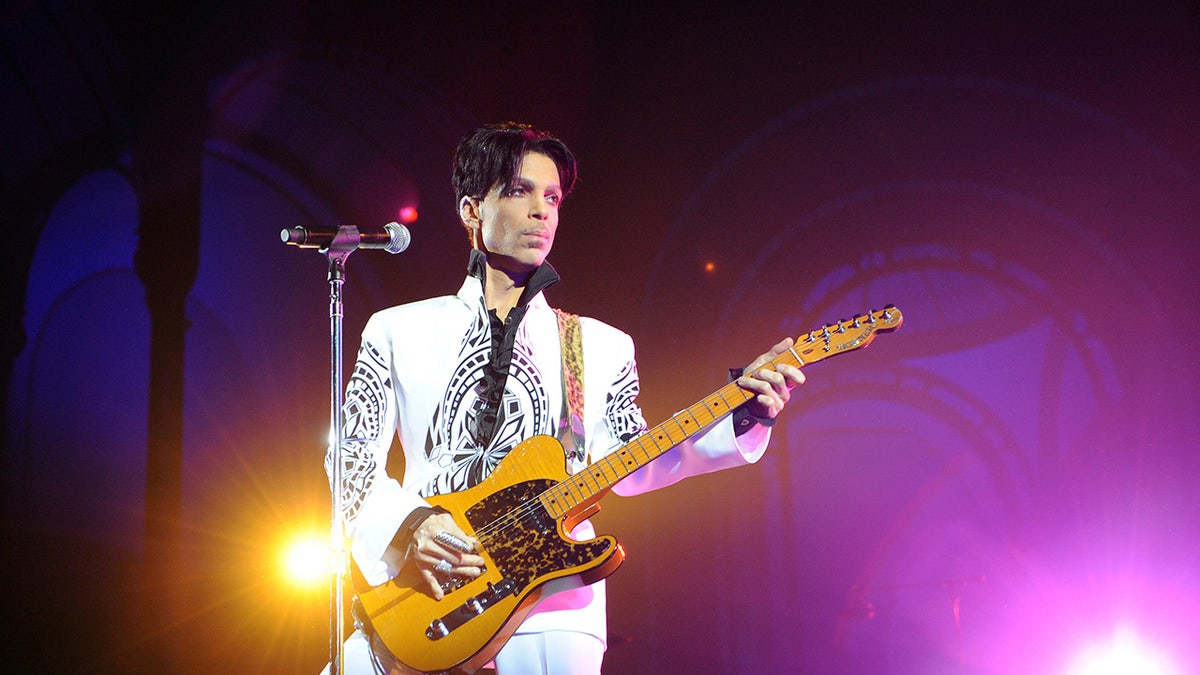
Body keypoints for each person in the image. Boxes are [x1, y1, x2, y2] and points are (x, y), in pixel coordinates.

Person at [323, 122, 805, 674]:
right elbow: (348, 457)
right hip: (425, 591)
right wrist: (412, 525)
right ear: (470, 210)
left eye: (551, 197)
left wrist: (744, 412)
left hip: (552, 607)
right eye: (519, 191)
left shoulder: (600, 345)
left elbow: (637, 459)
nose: (542, 211)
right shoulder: (397, 330)